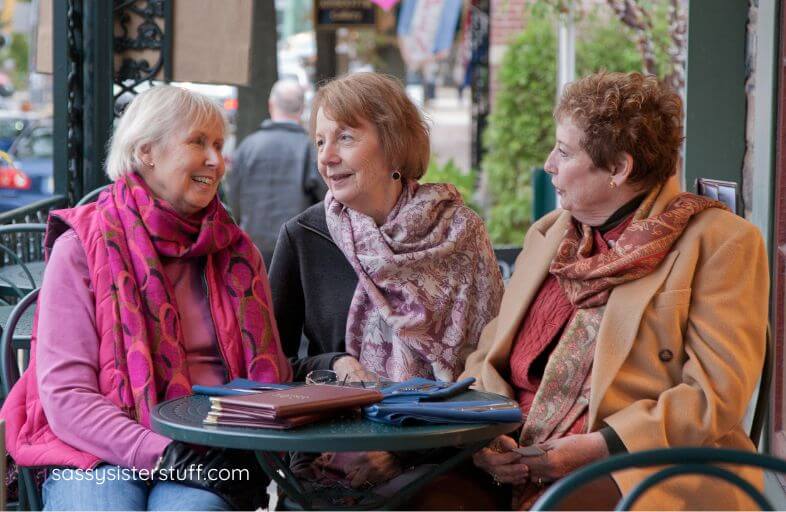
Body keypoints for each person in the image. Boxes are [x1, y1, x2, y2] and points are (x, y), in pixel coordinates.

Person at [463, 71, 769, 510]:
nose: (549, 163)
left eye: (564, 152)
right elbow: (488, 354)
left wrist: (600, 447)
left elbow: (713, 397)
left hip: (645, 470)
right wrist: (491, 437)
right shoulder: (551, 235)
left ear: (619, 169)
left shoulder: (720, 242)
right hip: (518, 452)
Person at [0, 85, 292, 511]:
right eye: (198, 142)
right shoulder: (83, 246)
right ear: (146, 152)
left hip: (209, 452)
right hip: (93, 450)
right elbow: (67, 397)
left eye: (219, 145)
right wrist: (162, 453)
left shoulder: (237, 253)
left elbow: (270, 379)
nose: (216, 161)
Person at [268, 72, 504, 499]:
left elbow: (490, 358)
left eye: (345, 138)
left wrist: (405, 452)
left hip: (447, 446)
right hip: (331, 444)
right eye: (320, 141)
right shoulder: (304, 237)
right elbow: (270, 367)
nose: (327, 156)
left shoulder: (460, 233)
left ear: (393, 142)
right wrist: (333, 364)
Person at [226, 79, 326, 266]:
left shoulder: (248, 146)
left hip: (252, 246)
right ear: (302, 107)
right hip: (297, 247)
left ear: (271, 104)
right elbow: (324, 200)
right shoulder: (310, 148)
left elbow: (233, 200)